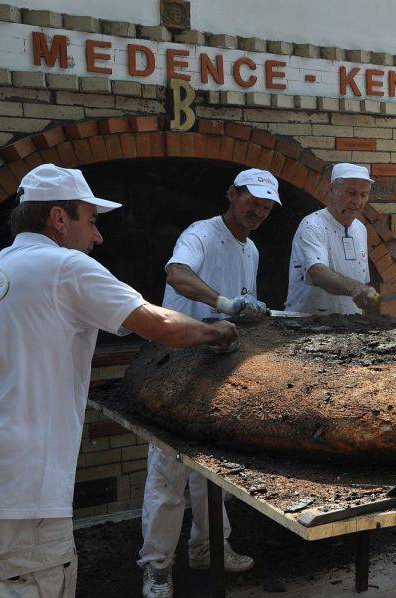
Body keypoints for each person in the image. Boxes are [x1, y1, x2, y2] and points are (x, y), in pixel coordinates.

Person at [0, 165, 237, 598]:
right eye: (91, 220)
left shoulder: (3, 267)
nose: (98, 236)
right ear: (58, 218)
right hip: (25, 491)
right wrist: (216, 331)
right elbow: (159, 324)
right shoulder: (65, 266)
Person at [138, 168, 279, 597]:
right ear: (232, 194)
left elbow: (236, 313)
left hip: (217, 369)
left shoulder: (251, 249)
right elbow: (177, 275)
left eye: (267, 206)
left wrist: (248, 314)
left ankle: (208, 548)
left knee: (213, 472)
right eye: (252, 200)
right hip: (176, 365)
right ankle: (157, 567)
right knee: (168, 474)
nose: (259, 210)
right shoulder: (200, 233)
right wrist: (223, 302)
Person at [286, 163, 379, 315]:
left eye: (363, 195)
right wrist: (356, 288)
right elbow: (318, 273)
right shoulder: (312, 225)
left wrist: (366, 293)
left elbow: (361, 280)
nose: (357, 201)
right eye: (351, 193)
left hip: (349, 324)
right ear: (331, 190)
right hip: (307, 323)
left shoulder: (360, 229)